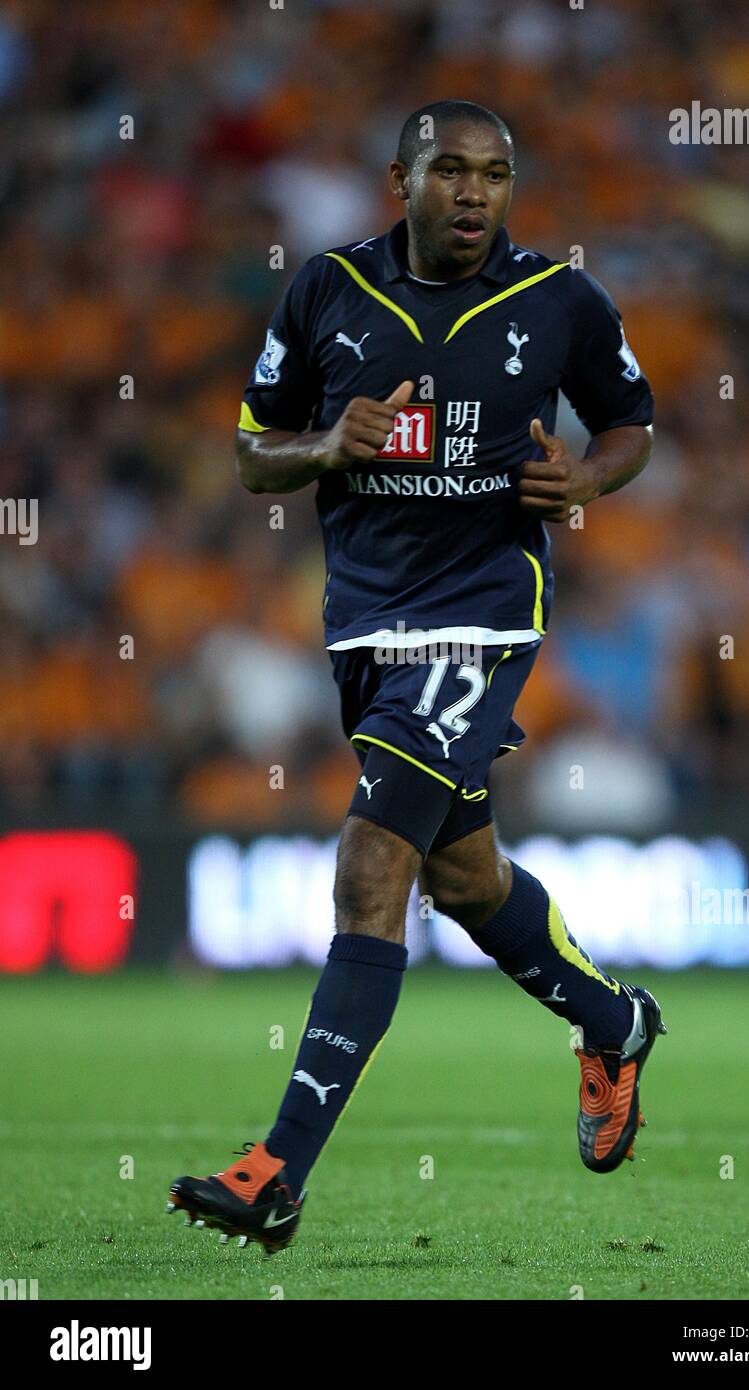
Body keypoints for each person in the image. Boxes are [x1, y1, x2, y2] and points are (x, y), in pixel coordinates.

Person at [168, 100, 665, 1255]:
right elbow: (251, 453)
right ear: (400, 178)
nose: (474, 192)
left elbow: (630, 422)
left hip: (481, 621)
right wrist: (326, 447)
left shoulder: (560, 301)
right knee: (466, 876)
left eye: (494, 173)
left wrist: (586, 484)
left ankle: (276, 1170)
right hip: (363, 629)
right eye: (449, 170)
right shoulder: (327, 290)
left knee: (371, 864)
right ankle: (612, 1020)